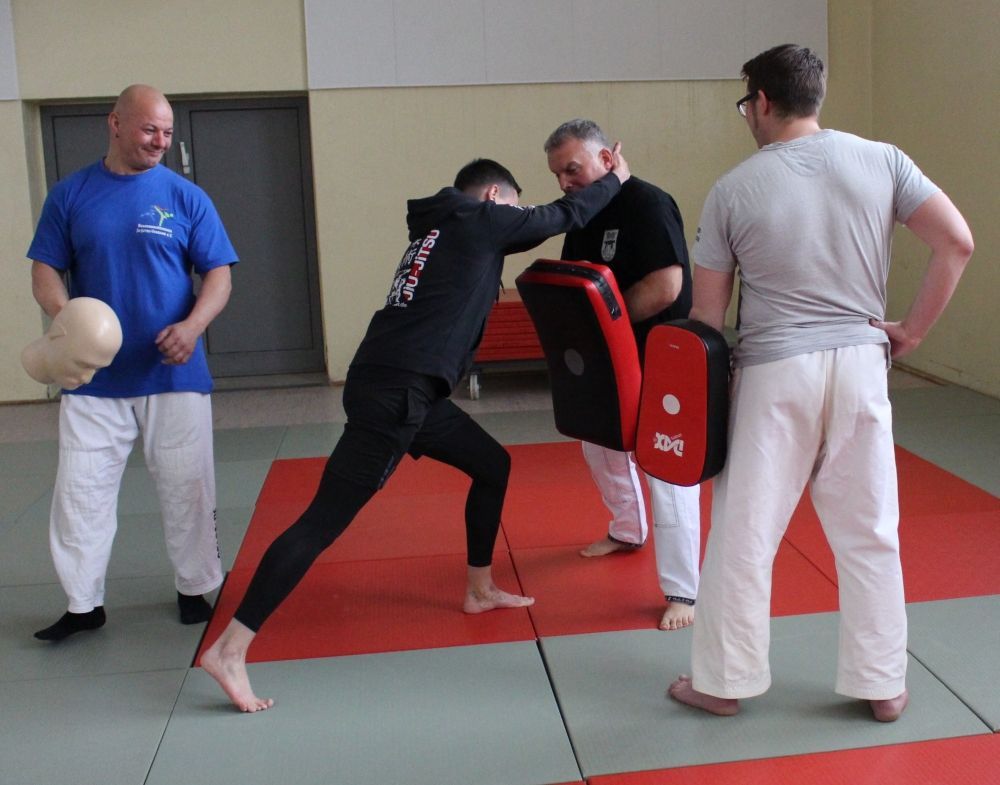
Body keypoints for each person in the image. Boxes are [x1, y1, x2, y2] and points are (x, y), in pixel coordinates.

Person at [202, 150, 632, 712]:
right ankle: (230, 648)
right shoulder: (479, 218)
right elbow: (560, 216)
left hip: (405, 388)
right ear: (495, 198)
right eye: (514, 205)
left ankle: (480, 588)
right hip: (397, 395)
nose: (515, 216)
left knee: (492, 465)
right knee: (321, 521)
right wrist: (615, 179)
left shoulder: (445, 226)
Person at [668, 44, 973, 722]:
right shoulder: (884, 160)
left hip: (775, 372)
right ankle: (883, 683)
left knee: (746, 535)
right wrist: (912, 331)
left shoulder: (733, 188)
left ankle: (723, 681)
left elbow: (706, 321)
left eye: (746, 105)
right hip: (862, 363)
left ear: (762, 102)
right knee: (871, 532)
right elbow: (957, 242)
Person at [27, 84, 237, 641]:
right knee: (80, 492)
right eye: (149, 130)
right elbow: (45, 269)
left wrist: (193, 327)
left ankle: (194, 588)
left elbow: (219, 274)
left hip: (174, 372)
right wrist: (69, 320)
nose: (160, 141)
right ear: (115, 123)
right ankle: (83, 605)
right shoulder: (70, 195)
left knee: (188, 485)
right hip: (92, 378)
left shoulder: (186, 197)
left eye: (167, 132)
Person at [544, 119, 701, 631]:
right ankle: (628, 530)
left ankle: (683, 591)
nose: (565, 182)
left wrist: (603, 327)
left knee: (666, 467)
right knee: (601, 445)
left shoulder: (647, 204)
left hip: (662, 353)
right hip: (608, 355)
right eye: (558, 175)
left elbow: (666, 285)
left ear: (607, 160)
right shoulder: (582, 214)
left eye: (572, 169)